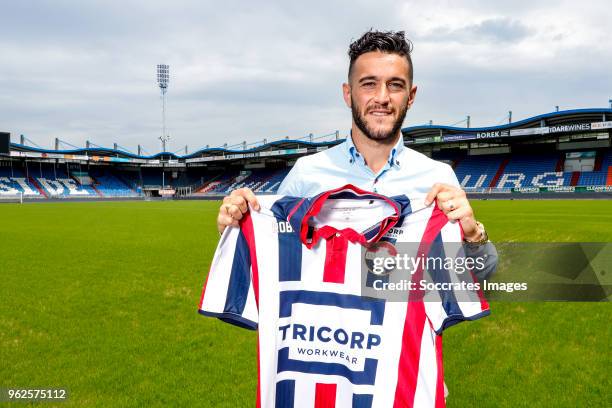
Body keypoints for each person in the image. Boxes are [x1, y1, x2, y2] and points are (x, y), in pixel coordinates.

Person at [216, 29, 496, 278]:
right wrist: (236, 233)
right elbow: (268, 266)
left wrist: (473, 235)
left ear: (410, 96)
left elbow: (478, 278)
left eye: (395, 85)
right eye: (369, 84)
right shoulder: (306, 173)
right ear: (348, 94)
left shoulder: (438, 178)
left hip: (404, 335)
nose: (382, 98)